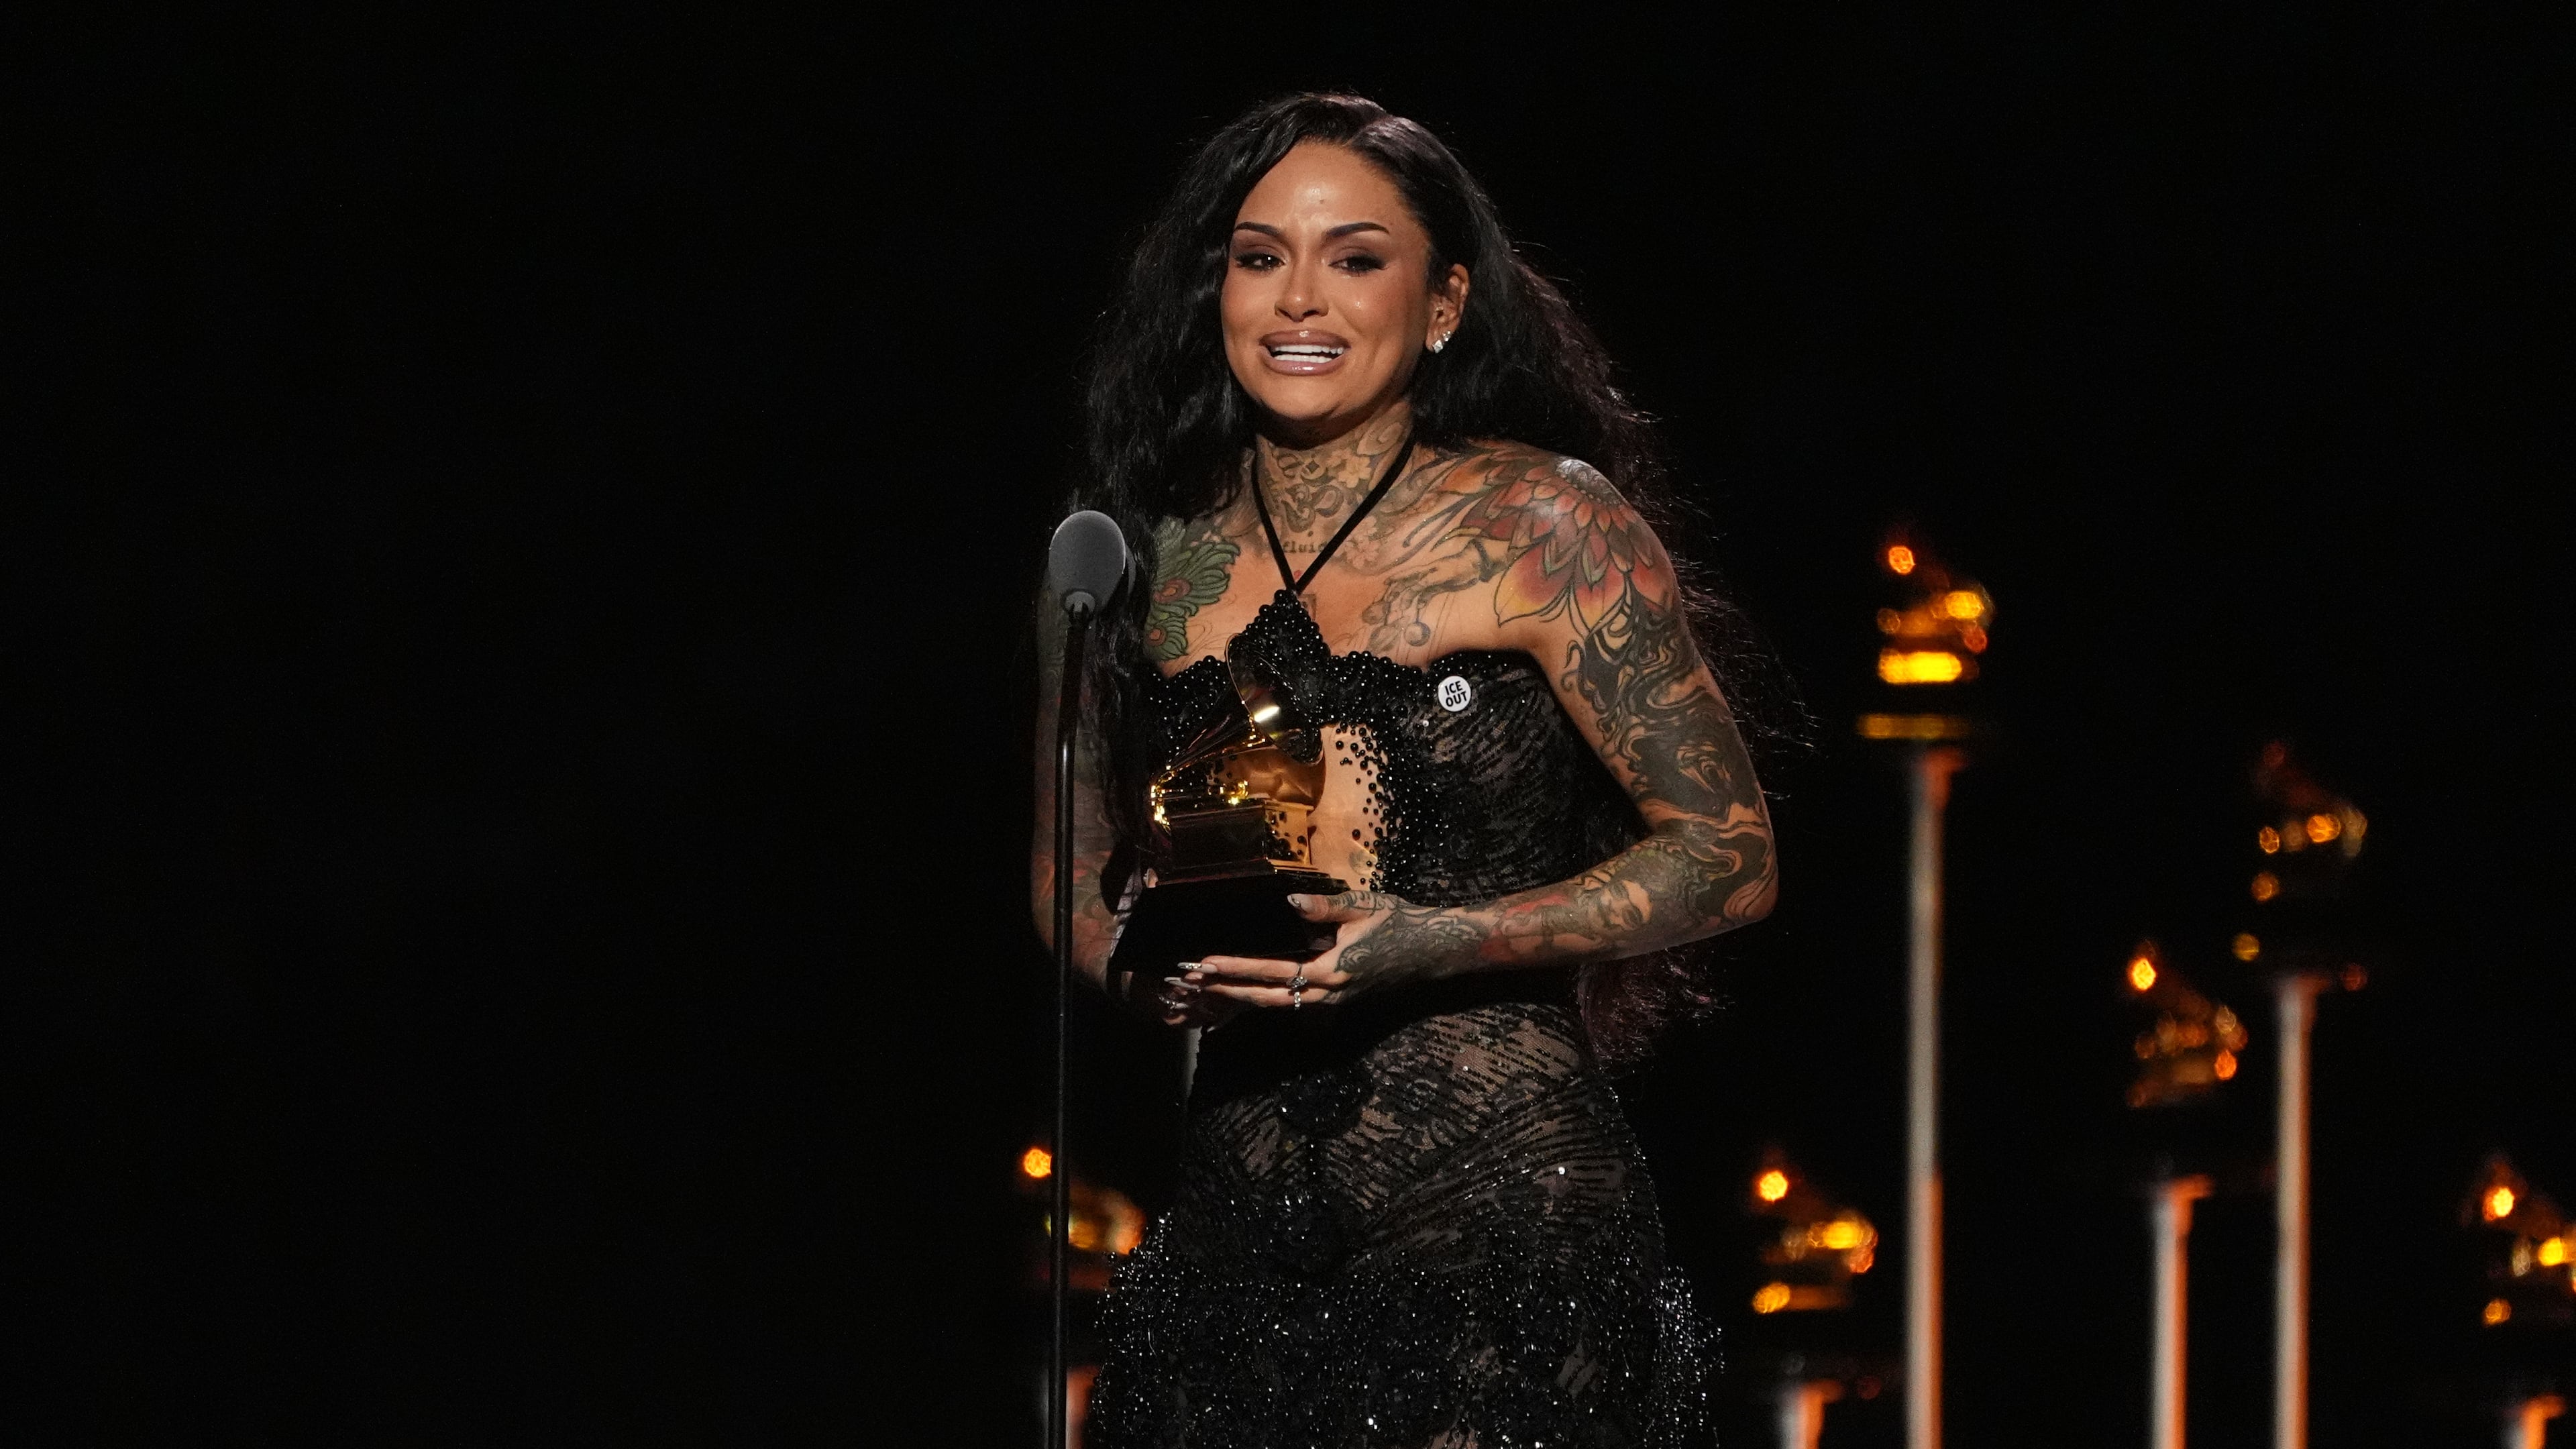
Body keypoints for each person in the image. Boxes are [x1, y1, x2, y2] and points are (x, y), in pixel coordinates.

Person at [1032, 93, 1777, 1447]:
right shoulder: (1129, 556)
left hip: (1502, 1226)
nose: (1298, 297)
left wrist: (1435, 940)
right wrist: (1143, 963)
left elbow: (1727, 853)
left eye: (1354, 257)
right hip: (1232, 1244)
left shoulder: (1545, 525)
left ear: (1442, 305)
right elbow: (1068, 866)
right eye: (1259, 258)